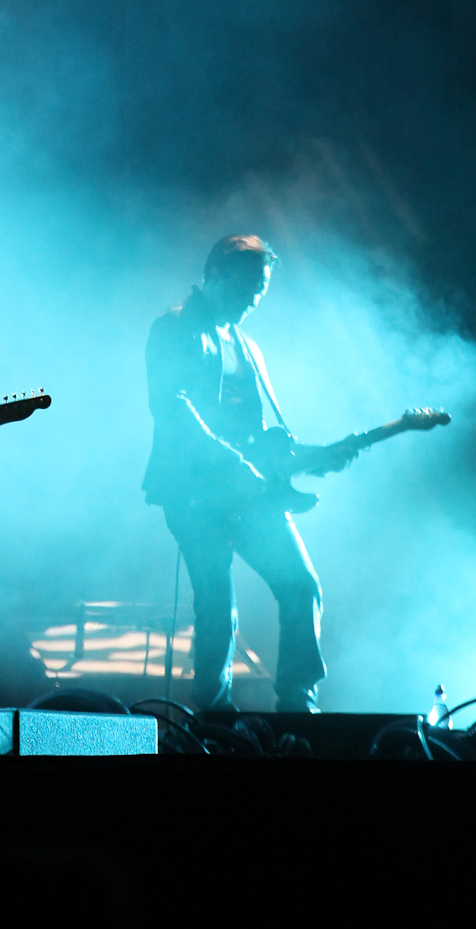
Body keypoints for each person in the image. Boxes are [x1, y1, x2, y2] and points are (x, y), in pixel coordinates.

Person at [142, 234, 356, 713]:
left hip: (250, 493)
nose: (253, 301)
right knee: (218, 605)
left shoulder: (247, 347)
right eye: (246, 289)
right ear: (215, 275)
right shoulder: (174, 328)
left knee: (301, 586)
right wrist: (233, 466)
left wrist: (316, 457)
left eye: (260, 291)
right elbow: (171, 408)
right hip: (194, 495)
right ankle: (214, 718)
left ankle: (298, 706)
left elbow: (260, 437)